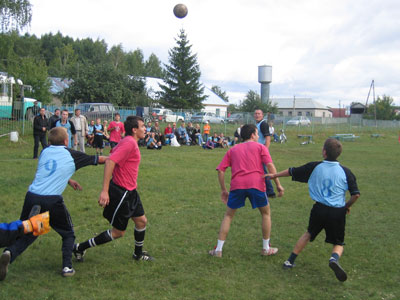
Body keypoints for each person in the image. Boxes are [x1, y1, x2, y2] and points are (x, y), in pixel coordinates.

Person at [0, 127, 106, 279]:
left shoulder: (45, 151)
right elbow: (99, 159)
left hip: (32, 196)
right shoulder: (71, 154)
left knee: (33, 230)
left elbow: (50, 170)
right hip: (51, 200)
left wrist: (68, 180)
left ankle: (9, 252)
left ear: (50, 141)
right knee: (68, 233)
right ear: (66, 140)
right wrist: (118, 158)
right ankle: (67, 267)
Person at [267, 138, 360, 282]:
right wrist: (347, 206)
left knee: (309, 233)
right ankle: (333, 259)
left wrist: (274, 175)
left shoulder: (315, 167)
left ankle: (290, 261)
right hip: (337, 211)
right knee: (338, 242)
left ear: (324, 152)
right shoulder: (346, 172)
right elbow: (356, 194)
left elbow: (293, 171)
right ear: (339, 154)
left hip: (319, 209)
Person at [73, 116, 154, 263]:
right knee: (118, 232)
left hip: (131, 192)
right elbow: (111, 161)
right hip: (121, 193)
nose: (145, 129)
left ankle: (138, 254)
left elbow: (112, 156)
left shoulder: (128, 142)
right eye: (142, 126)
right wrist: (104, 190)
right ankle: (80, 247)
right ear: (134, 130)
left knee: (141, 221)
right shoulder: (129, 143)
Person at [209, 124, 284, 258]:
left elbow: (221, 170)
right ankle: (266, 248)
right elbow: (270, 166)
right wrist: (278, 184)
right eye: (257, 134)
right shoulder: (261, 147)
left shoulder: (233, 150)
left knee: (228, 216)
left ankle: (218, 250)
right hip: (257, 185)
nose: (258, 136)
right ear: (252, 135)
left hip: (237, 186)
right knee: (266, 213)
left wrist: (223, 190)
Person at [254, 109, 275, 198]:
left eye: (259, 114)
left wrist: (265, 150)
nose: (257, 115)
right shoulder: (257, 124)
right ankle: (260, 188)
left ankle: (270, 192)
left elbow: (268, 137)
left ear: (262, 115)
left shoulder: (263, 124)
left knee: (263, 170)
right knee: (258, 170)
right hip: (256, 150)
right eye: (256, 114)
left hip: (261, 150)